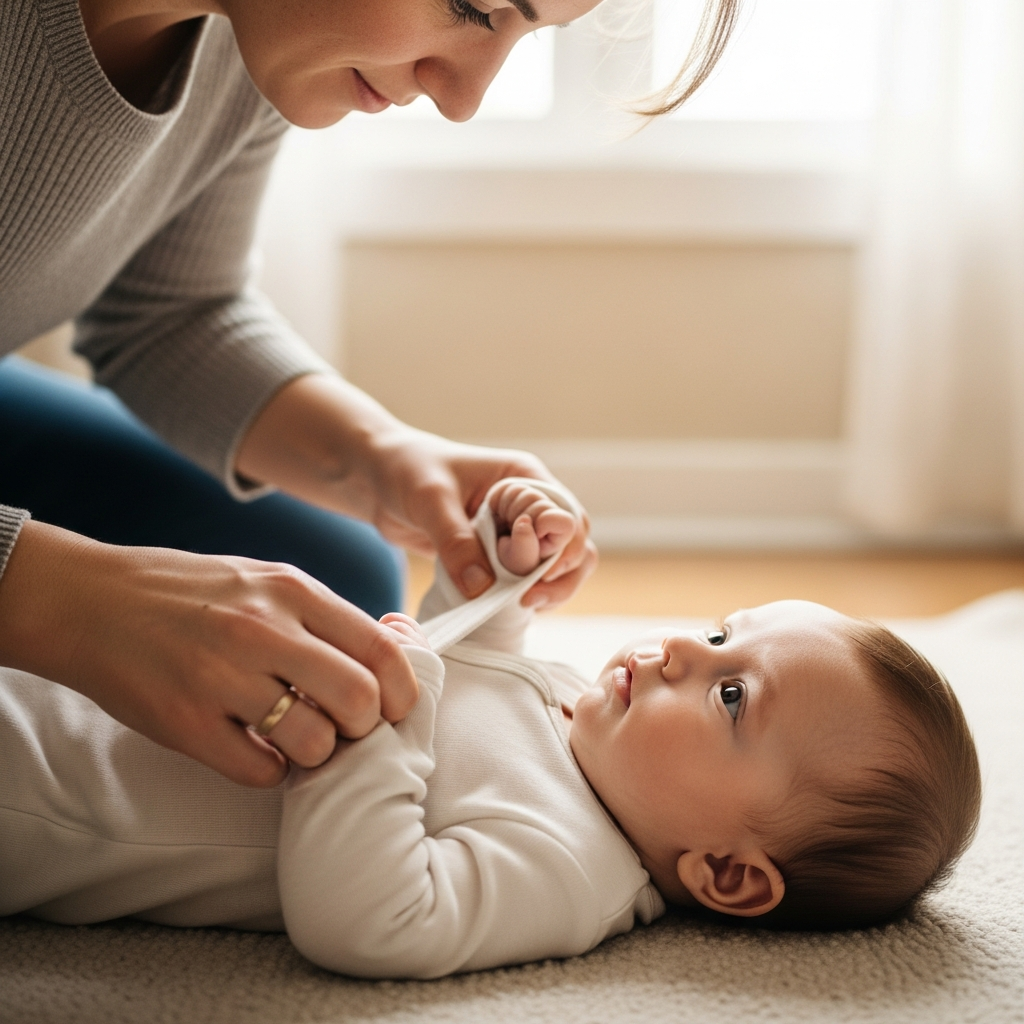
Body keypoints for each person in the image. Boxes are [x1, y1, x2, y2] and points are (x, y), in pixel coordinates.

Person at [0, 0, 741, 789]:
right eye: (473, 7)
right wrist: (72, 604)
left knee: (336, 604)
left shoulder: (249, 40)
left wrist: (386, 460)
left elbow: (168, 312)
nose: (464, 100)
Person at [0, 478, 982, 977]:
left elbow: (370, 921)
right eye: (722, 628)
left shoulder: (569, 868)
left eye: (732, 695)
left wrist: (386, 721)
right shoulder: (572, 707)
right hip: (72, 669)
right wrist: (491, 573)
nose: (683, 647)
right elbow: (458, 658)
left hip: (36, 794)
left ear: (726, 873)